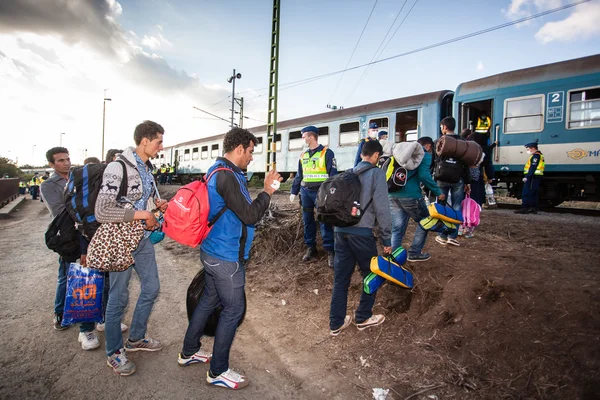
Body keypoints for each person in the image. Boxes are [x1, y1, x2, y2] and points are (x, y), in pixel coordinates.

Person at [180, 127, 282, 390]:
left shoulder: (220, 170)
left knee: (208, 300)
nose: (251, 157)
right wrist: (268, 191)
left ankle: (189, 350)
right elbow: (249, 215)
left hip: (213, 251)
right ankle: (218, 370)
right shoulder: (226, 176)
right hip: (225, 257)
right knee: (233, 309)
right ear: (239, 149)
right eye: (250, 152)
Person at [95, 120, 168, 376]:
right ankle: (114, 352)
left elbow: (139, 199)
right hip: (121, 240)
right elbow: (102, 210)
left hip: (142, 239)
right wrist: (142, 215)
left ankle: (136, 338)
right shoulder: (117, 167)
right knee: (119, 297)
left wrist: (155, 205)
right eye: (159, 141)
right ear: (145, 141)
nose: (161, 146)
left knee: (152, 288)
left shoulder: (147, 169)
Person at [40, 147, 100, 350]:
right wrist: (84, 206)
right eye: (60, 160)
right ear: (51, 164)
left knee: (87, 277)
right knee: (66, 276)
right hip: (68, 237)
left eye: (67, 159)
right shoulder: (48, 185)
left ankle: (89, 316)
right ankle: (60, 314)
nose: (66, 163)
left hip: (85, 233)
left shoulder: (78, 177)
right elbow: (60, 211)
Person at [329, 140, 391, 336]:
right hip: (362, 234)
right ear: (375, 156)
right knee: (371, 274)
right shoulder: (377, 174)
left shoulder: (347, 174)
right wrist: (386, 240)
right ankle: (363, 317)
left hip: (340, 232)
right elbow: (382, 209)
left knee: (341, 279)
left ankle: (336, 323)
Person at [389, 137, 446, 262]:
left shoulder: (400, 152)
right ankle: (414, 253)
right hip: (411, 195)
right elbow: (424, 176)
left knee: (397, 228)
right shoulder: (424, 155)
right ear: (428, 146)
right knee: (425, 221)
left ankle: (394, 257)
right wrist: (438, 192)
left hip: (393, 194)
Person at [290, 125, 338, 266]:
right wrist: (294, 191)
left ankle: (330, 250)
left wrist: (332, 193)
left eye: (304, 136)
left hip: (321, 191)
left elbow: (333, 176)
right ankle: (311, 248)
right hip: (305, 192)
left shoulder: (327, 153)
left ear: (311, 137)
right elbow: (299, 175)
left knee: (325, 220)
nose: (303, 138)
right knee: (307, 220)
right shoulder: (303, 155)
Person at [434, 117, 470, 247]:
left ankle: (442, 235)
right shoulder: (463, 141)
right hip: (458, 179)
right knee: (456, 206)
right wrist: (467, 182)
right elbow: (467, 164)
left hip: (442, 178)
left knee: (442, 207)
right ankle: (452, 236)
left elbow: (434, 161)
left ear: (444, 127)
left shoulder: (439, 141)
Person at [515, 142, 545, 214]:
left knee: (527, 192)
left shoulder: (536, 156)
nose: (528, 151)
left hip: (532, 176)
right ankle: (533, 208)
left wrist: (527, 177)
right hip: (535, 176)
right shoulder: (539, 155)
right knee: (533, 193)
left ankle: (525, 208)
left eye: (528, 149)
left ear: (533, 148)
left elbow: (533, 167)